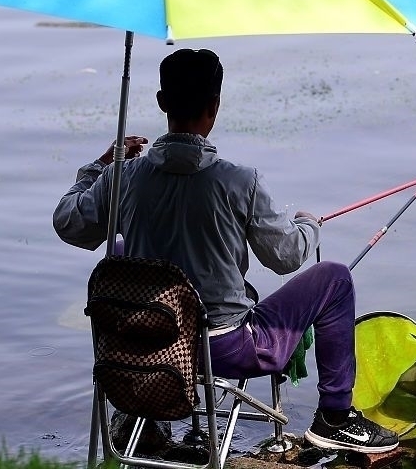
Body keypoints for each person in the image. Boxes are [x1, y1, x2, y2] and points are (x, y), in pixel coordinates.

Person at [53, 48, 398, 454]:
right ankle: (335, 418)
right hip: (224, 349)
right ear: (215, 106)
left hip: (147, 342)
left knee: (125, 249)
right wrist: (310, 226)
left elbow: (69, 224)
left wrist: (101, 165)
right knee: (336, 278)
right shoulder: (240, 181)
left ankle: (135, 416)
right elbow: (285, 257)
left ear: (162, 102)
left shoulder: (123, 176)